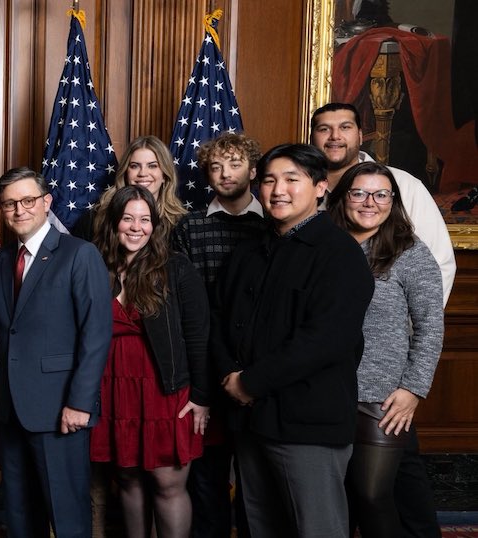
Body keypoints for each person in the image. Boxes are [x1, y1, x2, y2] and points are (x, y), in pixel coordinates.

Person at [211, 143, 374, 537]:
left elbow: (324, 340)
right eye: (268, 180)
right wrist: (230, 377)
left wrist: (249, 382)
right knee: (258, 526)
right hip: (249, 421)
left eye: (291, 179)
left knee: (314, 529)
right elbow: (217, 319)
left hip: (308, 424)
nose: (277, 189)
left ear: (320, 187)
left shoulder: (340, 255)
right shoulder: (249, 251)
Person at [311, 103, 453, 537]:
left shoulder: (410, 253)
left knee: (374, 494)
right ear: (343, 198)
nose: (369, 203)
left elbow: (430, 325)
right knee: (344, 494)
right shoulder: (324, 247)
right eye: (358, 194)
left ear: (393, 202)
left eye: (380, 195)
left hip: (383, 395)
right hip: (327, 391)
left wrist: (413, 388)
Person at [0, 166, 112, 538]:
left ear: (46, 202)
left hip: (61, 409)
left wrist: (79, 402)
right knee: (20, 516)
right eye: (9, 203)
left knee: (67, 516)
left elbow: (95, 335)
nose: (19, 210)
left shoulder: (79, 254)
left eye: (27, 200)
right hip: (13, 410)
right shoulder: (1, 260)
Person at [89, 185, 209, 538]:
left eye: (145, 220)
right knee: (126, 478)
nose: (136, 227)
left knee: (167, 482)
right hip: (111, 387)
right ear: (113, 223)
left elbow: (199, 337)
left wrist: (201, 396)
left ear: (155, 226)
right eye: (128, 218)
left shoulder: (176, 268)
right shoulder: (96, 267)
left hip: (164, 388)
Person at [171, 133, 265, 538]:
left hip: (259, 370)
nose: (225, 174)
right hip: (205, 366)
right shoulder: (189, 226)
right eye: (215, 167)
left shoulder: (273, 224)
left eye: (235, 164)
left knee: (256, 479)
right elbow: (186, 307)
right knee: (206, 476)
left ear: (253, 170)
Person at [310, 102, 454, 302]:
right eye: (324, 129)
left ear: (360, 135)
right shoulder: (301, 191)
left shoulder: (404, 185)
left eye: (345, 127)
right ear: (312, 138)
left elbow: (439, 261)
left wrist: (408, 327)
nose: (335, 136)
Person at [74, 135, 187, 242]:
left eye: (152, 166)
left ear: (164, 175)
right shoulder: (97, 218)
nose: (143, 173)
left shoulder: (180, 224)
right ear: (125, 172)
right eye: (134, 166)